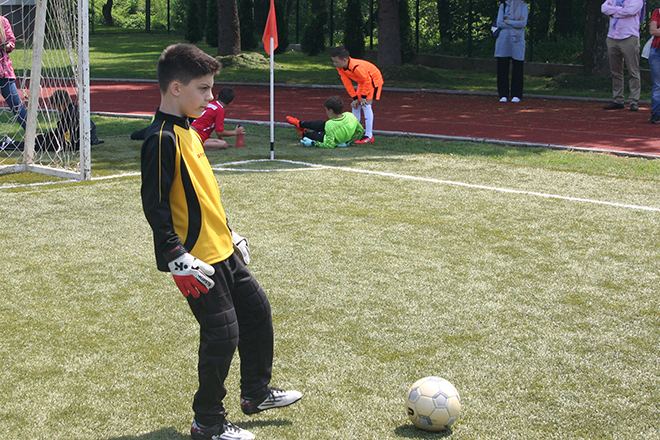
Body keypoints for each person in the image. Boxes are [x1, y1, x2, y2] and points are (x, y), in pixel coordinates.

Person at [140, 43, 302, 440]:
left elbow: (203, 194)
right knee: (222, 337)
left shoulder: (189, 131)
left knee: (257, 313)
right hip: (196, 262)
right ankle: (208, 421)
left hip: (224, 252)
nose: (210, 96)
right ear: (175, 88)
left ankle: (256, 393)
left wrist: (229, 231)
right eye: (203, 88)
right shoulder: (161, 138)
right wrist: (176, 256)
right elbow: (155, 206)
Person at [329, 45, 383, 144]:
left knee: (366, 105)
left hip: (373, 80)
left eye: (336, 61)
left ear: (345, 60)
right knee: (355, 105)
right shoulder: (340, 67)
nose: (334, 64)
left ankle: (369, 136)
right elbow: (347, 83)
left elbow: (368, 80)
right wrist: (354, 98)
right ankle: (354, 133)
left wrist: (363, 97)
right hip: (363, 82)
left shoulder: (356, 67)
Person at [601, 0, 644, 111]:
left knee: (633, 70)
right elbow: (604, 8)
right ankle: (618, 99)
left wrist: (613, 12)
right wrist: (620, 10)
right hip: (612, 36)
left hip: (629, 36)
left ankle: (634, 101)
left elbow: (630, 11)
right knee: (615, 70)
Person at [285, 96, 365, 148]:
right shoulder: (350, 115)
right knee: (321, 124)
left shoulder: (330, 124)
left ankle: (304, 133)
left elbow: (330, 144)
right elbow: (360, 130)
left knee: (316, 134)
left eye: (326, 110)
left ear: (331, 111)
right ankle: (300, 123)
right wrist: (350, 142)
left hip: (330, 137)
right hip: (339, 133)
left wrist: (313, 143)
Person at [494, 0, 528, 103]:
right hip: (503, 40)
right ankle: (503, 94)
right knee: (502, 67)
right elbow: (499, 23)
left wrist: (508, 21)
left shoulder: (523, 6)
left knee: (517, 66)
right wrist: (516, 23)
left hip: (517, 40)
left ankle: (516, 94)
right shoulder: (503, 6)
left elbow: (523, 24)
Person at [0, 15, 26, 129]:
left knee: (16, 105)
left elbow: (11, 44)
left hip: (4, 71)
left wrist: (5, 46)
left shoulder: (3, 21)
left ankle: (33, 134)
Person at [649, 8, 660, 123]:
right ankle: (655, 113)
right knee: (657, 84)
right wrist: (656, 30)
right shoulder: (658, 12)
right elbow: (653, 31)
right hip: (656, 51)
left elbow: (656, 31)